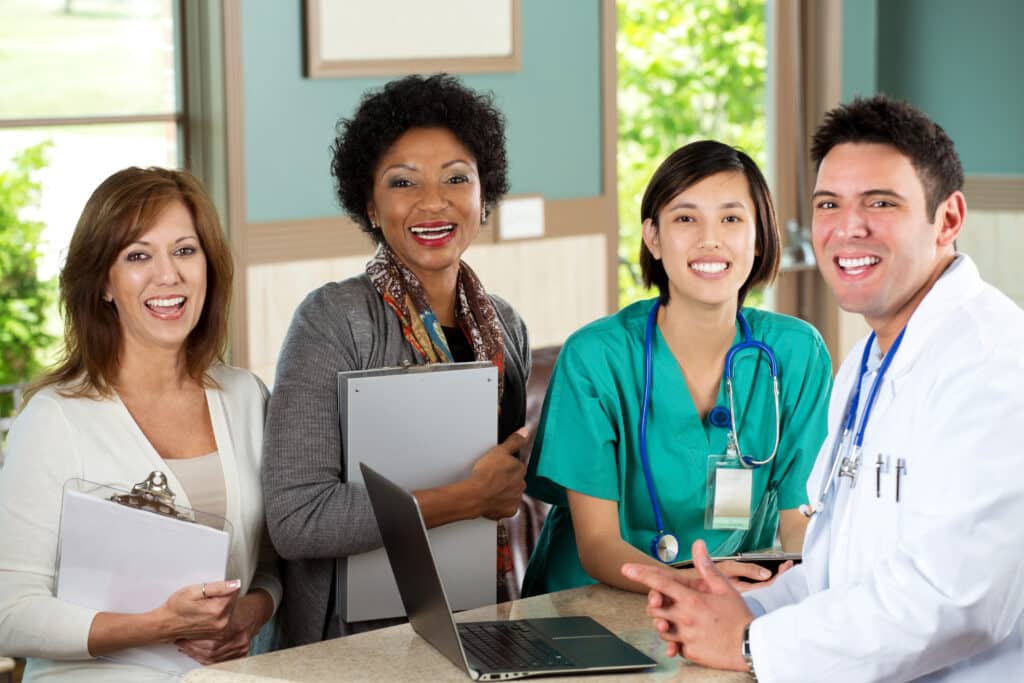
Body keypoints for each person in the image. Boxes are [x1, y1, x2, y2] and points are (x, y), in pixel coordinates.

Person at [624, 96, 1024, 681]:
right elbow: (835, 571)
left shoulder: (992, 364)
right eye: (829, 204)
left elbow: (960, 601)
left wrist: (751, 645)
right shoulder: (868, 360)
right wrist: (739, 613)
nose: (849, 227)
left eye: (881, 203)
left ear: (949, 219)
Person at [262, 73, 531, 647]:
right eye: (403, 182)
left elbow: (509, 483)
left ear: (485, 195)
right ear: (369, 202)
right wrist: (465, 501)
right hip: (357, 641)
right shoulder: (332, 321)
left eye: (457, 178)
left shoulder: (505, 327)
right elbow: (296, 520)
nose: (434, 202)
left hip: (479, 620)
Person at [0, 167, 281, 681]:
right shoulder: (53, 420)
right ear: (104, 283)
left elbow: (268, 563)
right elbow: (9, 615)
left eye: (185, 250)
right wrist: (155, 625)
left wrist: (249, 612)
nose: (167, 274)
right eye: (137, 256)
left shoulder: (245, 397)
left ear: (208, 268)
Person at [522, 141, 832, 597]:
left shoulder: (797, 353)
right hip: (590, 606)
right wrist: (692, 584)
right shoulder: (595, 357)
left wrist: (810, 591)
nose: (710, 239)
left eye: (731, 218)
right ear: (653, 238)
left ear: (759, 237)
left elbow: (799, 519)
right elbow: (597, 543)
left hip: (729, 602)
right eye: (686, 218)